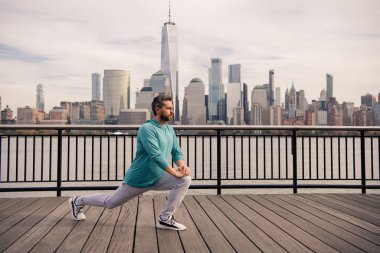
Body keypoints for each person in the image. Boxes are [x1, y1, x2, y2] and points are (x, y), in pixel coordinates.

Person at [69, 94, 191, 231]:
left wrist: (182, 166)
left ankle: (165, 219)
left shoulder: (169, 129)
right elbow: (156, 155)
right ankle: (78, 201)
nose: (172, 111)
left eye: (172, 108)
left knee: (184, 179)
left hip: (158, 177)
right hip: (138, 179)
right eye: (168, 108)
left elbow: (176, 151)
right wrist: (174, 172)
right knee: (110, 202)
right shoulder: (147, 129)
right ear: (157, 109)